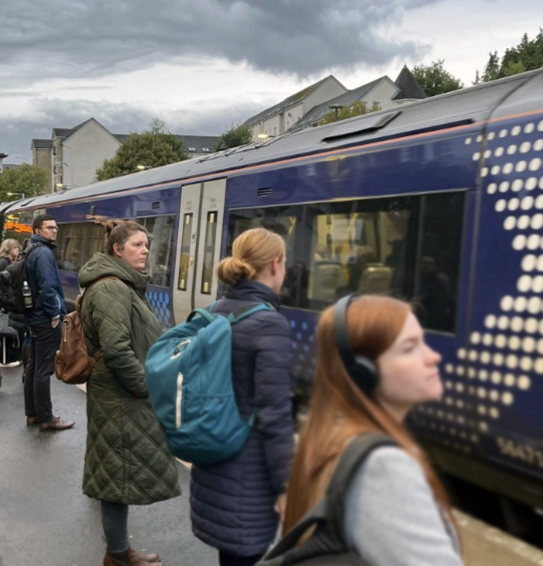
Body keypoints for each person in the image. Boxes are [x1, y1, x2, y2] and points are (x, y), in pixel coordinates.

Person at [281, 295, 462, 566]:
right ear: (363, 372)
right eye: (410, 347)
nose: (433, 357)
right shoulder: (383, 467)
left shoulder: (326, 438)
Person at [190, 228, 295, 566]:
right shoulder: (269, 324)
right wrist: (287, 484)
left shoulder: (216, 310)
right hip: (248, 472)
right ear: (276, 265)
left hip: (214, 456)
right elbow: (275, 414)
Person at [79, 220, 180, 566]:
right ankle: (119, 555)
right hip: (119, 397)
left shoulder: (122, 285)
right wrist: (146, 385)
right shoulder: (112, 289)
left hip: (116, 395)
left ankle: (119, 552)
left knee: (115, 474)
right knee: (115, 475)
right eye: (137, 244)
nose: (146, 250)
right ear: (117, 249)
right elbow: (118, 349)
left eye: (146, 244)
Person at [22, 215, 73, 431]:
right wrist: (55, 315)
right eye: (50, 228)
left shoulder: (31, 250)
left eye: (56, 227)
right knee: (43, 369)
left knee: (34, 366)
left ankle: (32, 413)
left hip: (35, 316)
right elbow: (48, 287)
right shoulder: (43, 253)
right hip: (45, 319)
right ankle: (46, 417)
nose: (55, 231)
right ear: (37, 230)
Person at [0, 238, 27, 367]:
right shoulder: (3, 263)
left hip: (10, 303)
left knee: (13, 330)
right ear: (8, 249)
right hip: (5, 304)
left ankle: (14, 356)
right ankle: (7, 358)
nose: (18, 250)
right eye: (15, 248)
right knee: (6, 330)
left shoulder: (12, 262)